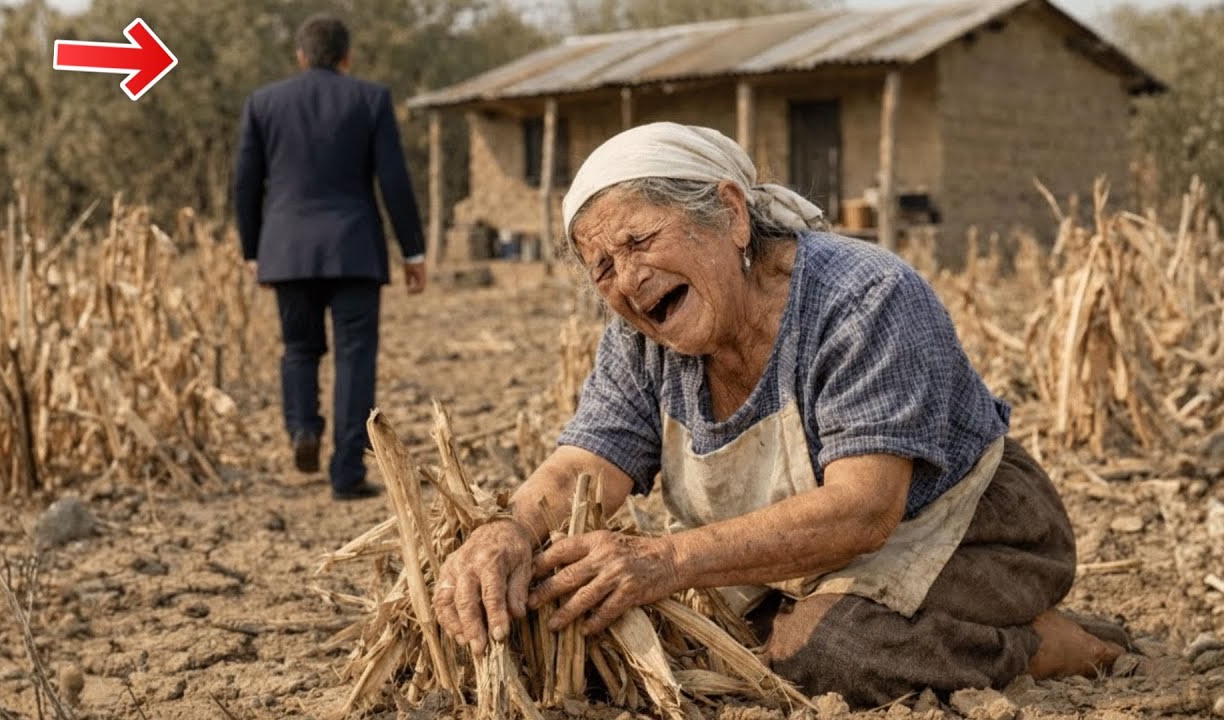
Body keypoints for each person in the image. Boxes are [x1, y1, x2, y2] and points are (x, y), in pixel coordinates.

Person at [431, 122, 1126, 706]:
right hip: (812, 557)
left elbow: (864, 511)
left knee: (833, 651)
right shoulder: (641, 340)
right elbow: (589, 462)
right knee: (715, 639)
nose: (628, 281)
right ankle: (897, 614)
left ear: (731, 215)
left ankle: (1046, 643)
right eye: (603, 267)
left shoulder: (862, 299)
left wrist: (667, 559)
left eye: (640, 242)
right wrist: (510, 530)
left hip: (970, 528)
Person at [234, 14, 426, 500]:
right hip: (354, 249)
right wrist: (413, 250)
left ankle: (302, 427)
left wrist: (253, 250)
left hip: (287, 251)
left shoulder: (263, 103)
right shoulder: (370, 99)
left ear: (301, 56)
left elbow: (245, 183)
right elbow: (394, 180)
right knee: (354, 360)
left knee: (299, 349)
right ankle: (346, 474)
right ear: (346, 57)